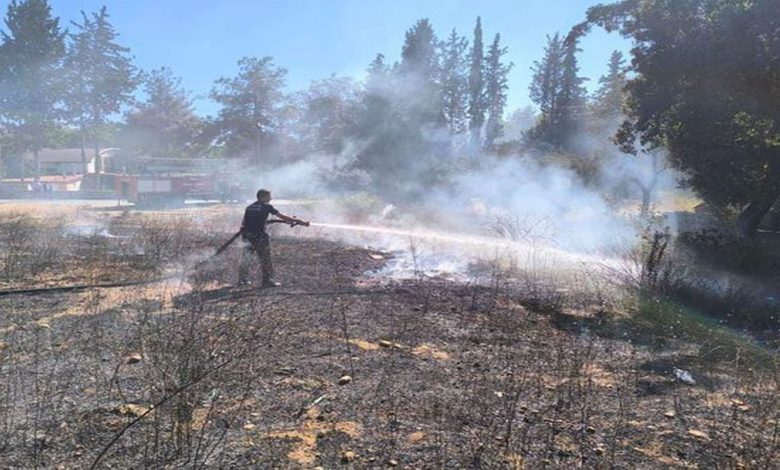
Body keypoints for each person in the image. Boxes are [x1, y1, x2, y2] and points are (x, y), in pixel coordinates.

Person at [237, 189, 308, 287]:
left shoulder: (250, 207)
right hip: (260, 237)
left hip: (247, 236)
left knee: (246, 258)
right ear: (262, 197)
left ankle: (242, 280)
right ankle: (267, 281)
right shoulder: (267, 207)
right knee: (265, 259)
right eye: (269, 196)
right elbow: (282, 216)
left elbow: (245, 223)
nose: (271, 198)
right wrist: (298, 220)